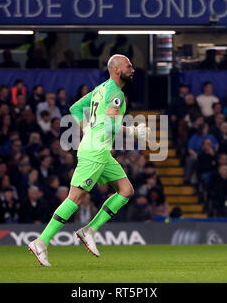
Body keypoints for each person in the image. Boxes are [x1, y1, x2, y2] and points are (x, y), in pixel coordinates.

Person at [28, 54, 150, 266]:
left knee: (126, 190)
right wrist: (135, 132)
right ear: (117, 69)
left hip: (100, 151)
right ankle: (41, 242)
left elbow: (75, 109)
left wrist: (87, 128)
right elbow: (110, 126)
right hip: (95, 152)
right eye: (129, 66)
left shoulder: (101, 89)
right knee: (74, 198)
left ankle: (89, 230)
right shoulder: (115, 93)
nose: (132, 69)